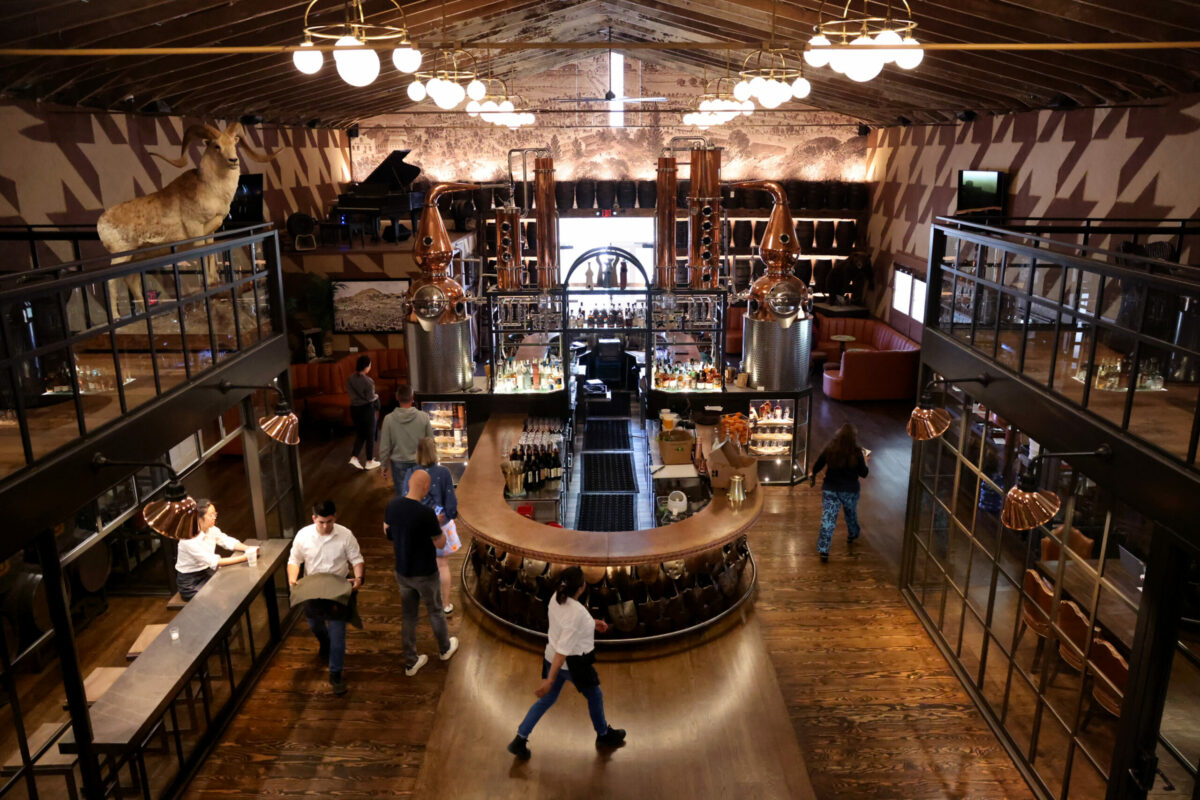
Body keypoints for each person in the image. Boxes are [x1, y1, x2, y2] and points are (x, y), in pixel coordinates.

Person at [507, 566, 625, 760]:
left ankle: (520, 739)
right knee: (595, 694)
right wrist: (549, 680)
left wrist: (592, 623)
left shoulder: (556, 597)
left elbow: (567, 624)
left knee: (546, 700)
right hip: (573, 663)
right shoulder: (577, 613)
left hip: (549, 655)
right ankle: (603, 735)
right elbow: (564, 649)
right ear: (581, 587)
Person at [385, 469, 459, 677]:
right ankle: (444, 649)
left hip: (402, 571)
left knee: (409, 616)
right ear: (426, 488)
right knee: (435, 611)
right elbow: (440, 542)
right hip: (425, 571)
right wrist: (441, 526)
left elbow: (387, 531)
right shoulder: (426, 514)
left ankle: (411, 662)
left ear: (409, 484)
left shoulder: (393, 505)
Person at [288, 500, 365, 695]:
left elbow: (356, 559)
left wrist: (358, 577)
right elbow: (294, 560)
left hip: (338, 589)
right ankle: (324, 641)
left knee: (338, 634)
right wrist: (292, 578)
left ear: (335, 517)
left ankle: (336, 674)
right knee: (315, 625)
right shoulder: (303, 536)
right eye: (321, 522)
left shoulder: (345, 535)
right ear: (314, 518)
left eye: (329, 522)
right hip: (313, 589)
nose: (325, 526)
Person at [402, 437, 460, 614]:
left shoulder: (410, 472)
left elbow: (406, 499)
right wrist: (450, 516)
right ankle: (445, 604)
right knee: (442, 565)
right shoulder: (443, 472)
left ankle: (427, 603)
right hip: (439, 525)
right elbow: (451, 501)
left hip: (417, 527)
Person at [810, 423, 871, 562]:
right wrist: (866, 461)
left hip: (831, 488)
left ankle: (824, 550)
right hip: (850, 489)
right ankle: (852, 534)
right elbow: (864, 473)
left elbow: (818, 464)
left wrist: (813, 474)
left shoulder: (830, 449)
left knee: (828, 518)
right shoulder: (857, 452)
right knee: (850, 514)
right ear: (853, 438)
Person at [174, 500, 254, 600]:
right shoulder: (189, 539)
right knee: (218, 597)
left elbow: (226, 540)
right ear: (199, 518)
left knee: (235, 585)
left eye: (215, 514)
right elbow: (215, 561)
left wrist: (248, 548)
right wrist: (244, 558)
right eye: (211, 515)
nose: (214, 517)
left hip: (207, 572)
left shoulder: (211, 529)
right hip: (190, 582)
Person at [378, 384, 434, 493]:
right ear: (413, 398)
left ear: (397, 397)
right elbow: (430, 442)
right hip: (419, 461)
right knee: (420, 493)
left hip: (398, 462)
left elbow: (385, 446)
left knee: (402, 493)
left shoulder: (388, 419)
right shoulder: (424, 417)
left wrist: (383, 465)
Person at [347, 354, 381, 470]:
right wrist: (376, 396)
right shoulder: (368, 381)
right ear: (366, 367)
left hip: (354, 409)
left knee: (361, 433)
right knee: (370, 435)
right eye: (370, 365)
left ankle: (354, 457)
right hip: (366, 409)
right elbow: (371, 397)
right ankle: (369, 461)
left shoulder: (350, 378)